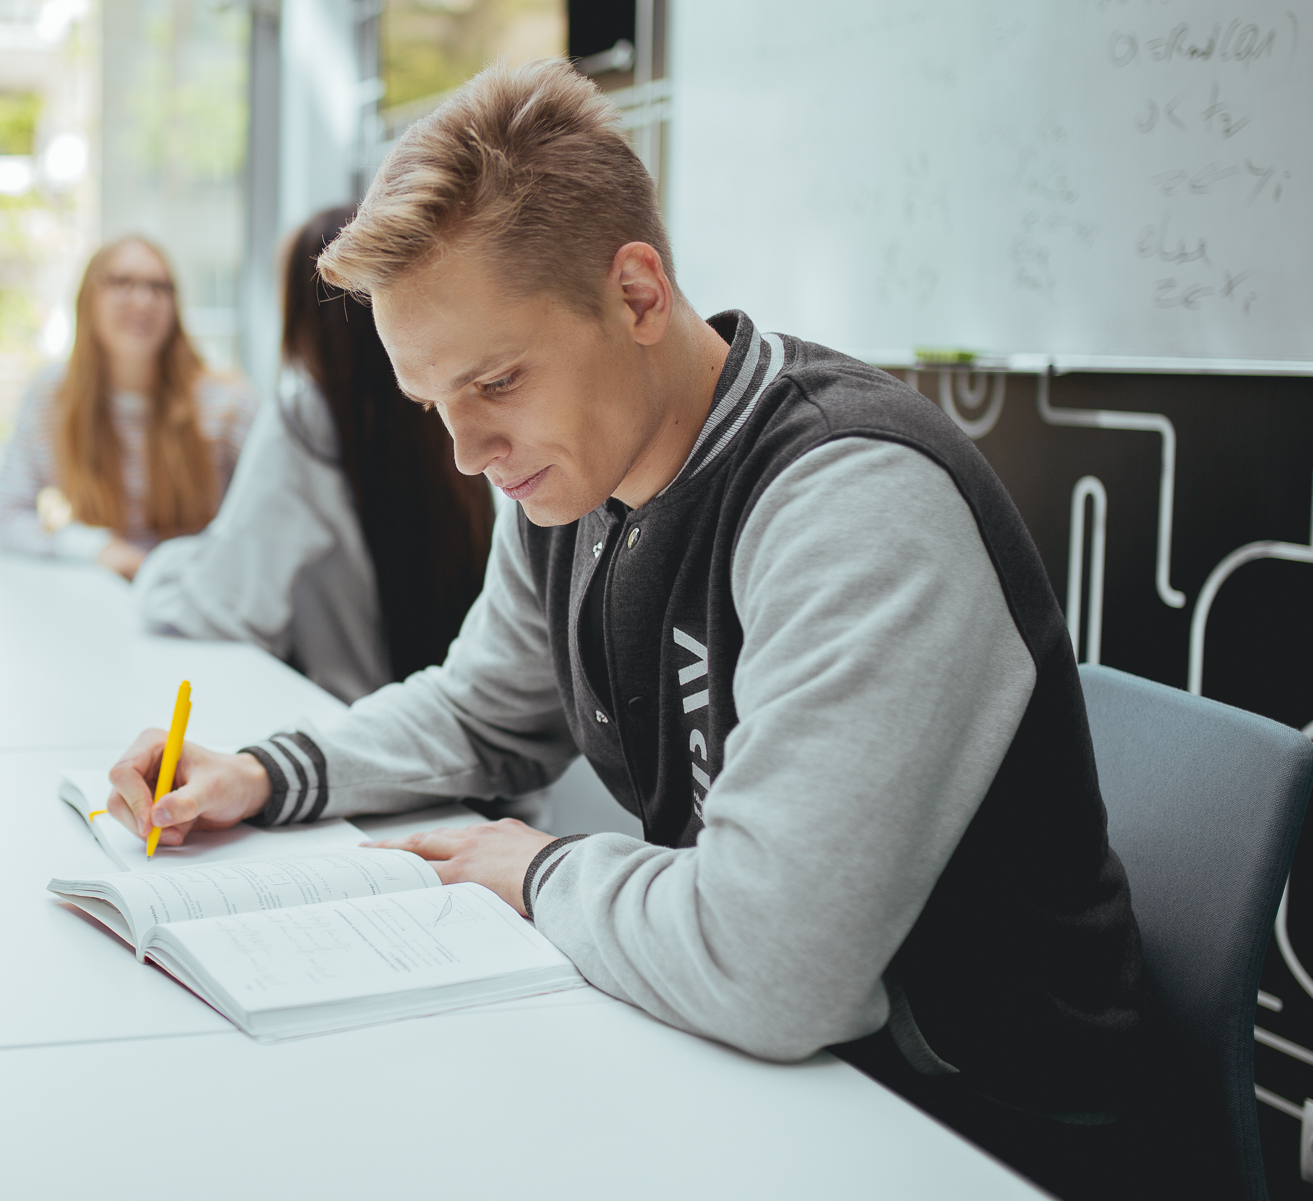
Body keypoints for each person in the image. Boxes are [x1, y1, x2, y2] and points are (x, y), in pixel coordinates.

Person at [99, 61, 1161, 1198]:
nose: (467, 451)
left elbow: (771, 962)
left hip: (966, 1122)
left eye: (496, 380)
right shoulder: (571, 476)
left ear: (638, 295)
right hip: (767, 1074)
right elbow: (479, 711)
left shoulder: (849, 503)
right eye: (434, 405)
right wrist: (266, 771)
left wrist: (541, 868)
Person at [131, 207, 495, 703]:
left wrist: (155, 565)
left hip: (351, 719)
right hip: (439, 716)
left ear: (308, 311)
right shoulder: (440, 408)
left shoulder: (307, 421)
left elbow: (220, 606)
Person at [0, 238, 256, 579]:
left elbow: (264, 526)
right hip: (98, 595)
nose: (143, 300)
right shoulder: (51, 396)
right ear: (88, 298)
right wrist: (97, 549)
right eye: (122, 282)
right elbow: (8, 517)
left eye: (159, 287)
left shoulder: (229, 402)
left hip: (195, 596)